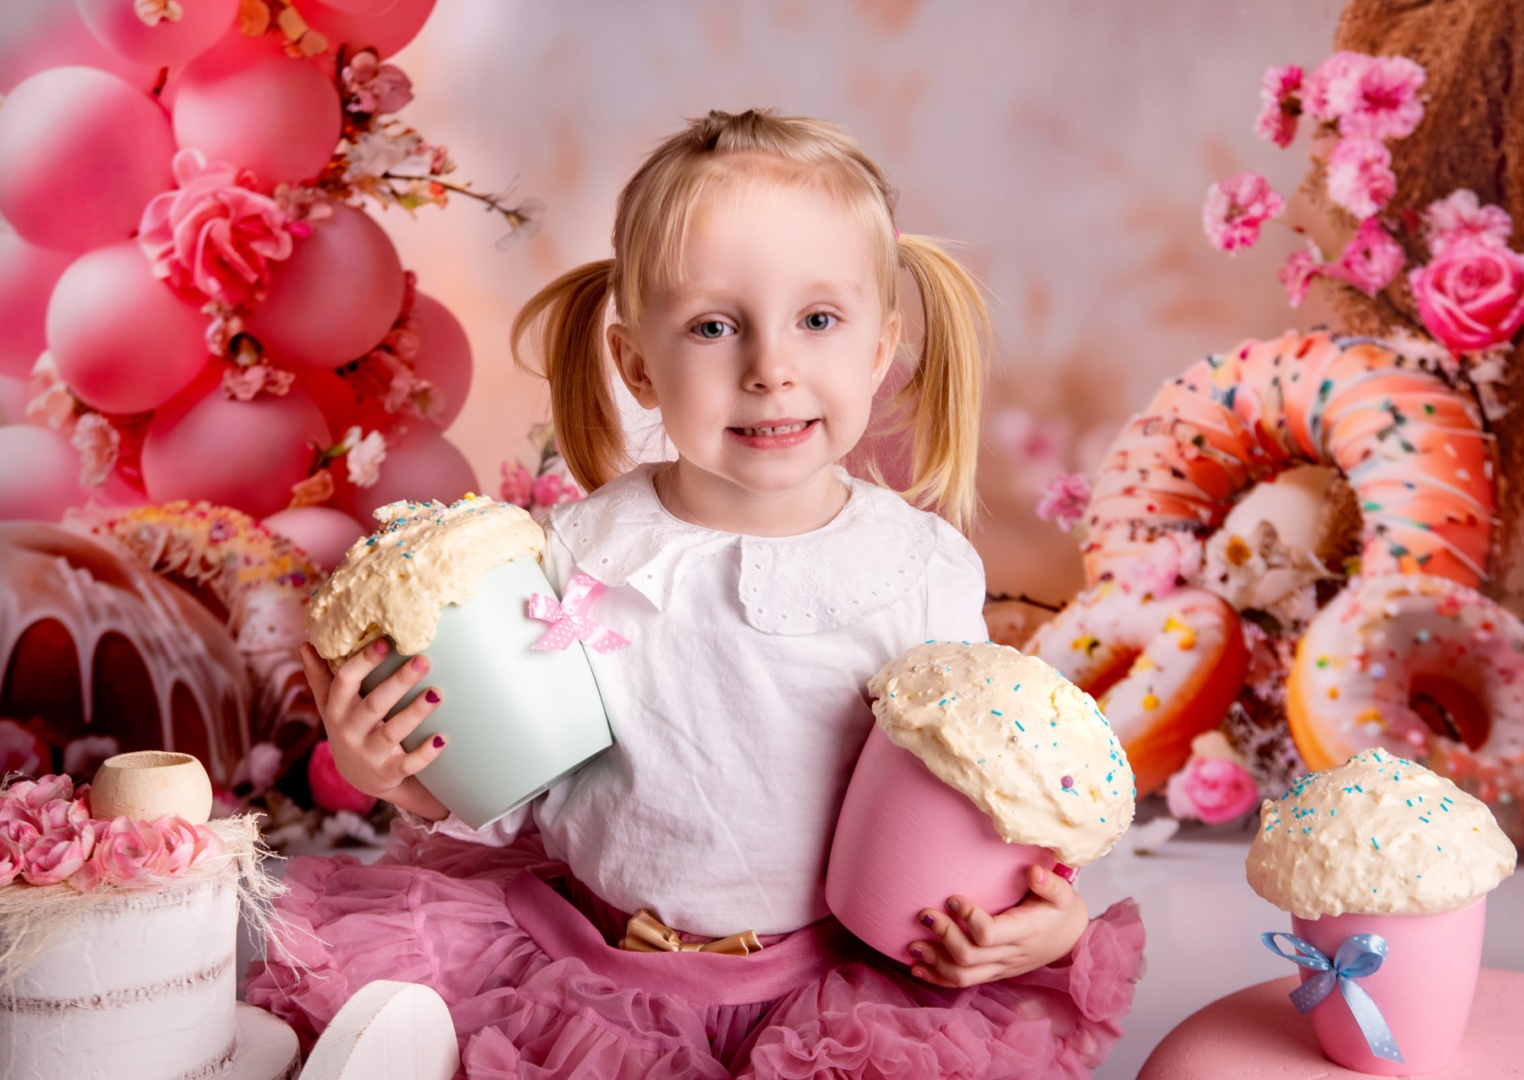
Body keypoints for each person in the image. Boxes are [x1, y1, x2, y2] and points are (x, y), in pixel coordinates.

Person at [245, 108, 1143, 1079]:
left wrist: (1039, 917)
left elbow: (983, 786)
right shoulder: (579, 551)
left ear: (880, 346)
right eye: (714, 326)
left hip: (825, 994)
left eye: (817, 320)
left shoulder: (920, 568)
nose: (770, 370)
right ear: (637, 363)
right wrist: (392, 775)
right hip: (589, 968)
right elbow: (515, 794)